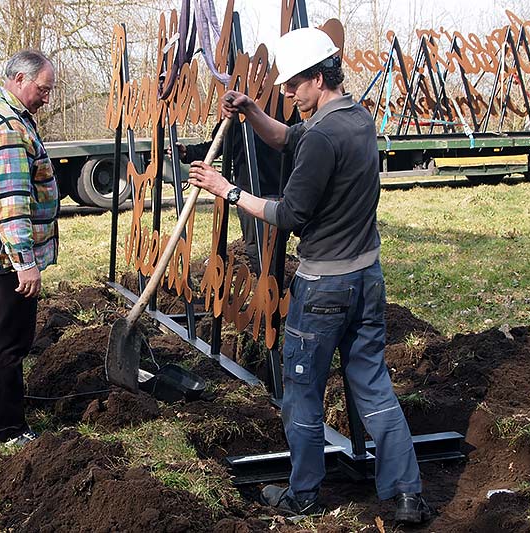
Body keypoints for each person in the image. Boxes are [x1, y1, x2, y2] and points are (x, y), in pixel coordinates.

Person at [188, 28, 431, 524]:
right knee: (373, 386)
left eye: (296, 85)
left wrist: (226, 190)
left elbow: (288, 215)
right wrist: (252, 110)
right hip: (367, 277)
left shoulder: (321, 135)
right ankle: (407, 494)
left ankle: (303, 495)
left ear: (319, 79)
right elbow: (287, 137)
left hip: (325, 288)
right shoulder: (355, 118)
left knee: (301, 391)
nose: (290, 94)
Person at [0, 49, 59, 448]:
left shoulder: (1, 113)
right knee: (9, 343)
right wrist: (26, 263)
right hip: (8, 257)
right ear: (20, 79)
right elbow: (10, 201)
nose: (46, 97)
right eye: (43, 88)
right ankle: (8, 431)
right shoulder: (6, 127)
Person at [176, 93, 284, 275]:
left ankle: (276, 293)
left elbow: (295, 141)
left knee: (275, 247)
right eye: (250, 69)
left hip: (277, 191)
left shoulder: (283, 103)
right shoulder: (237, 108)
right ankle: (265, 290)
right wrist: (188, 152)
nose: (255, 74)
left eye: (260, 68)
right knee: (254, 246)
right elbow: (218, 144)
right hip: (246, 193)